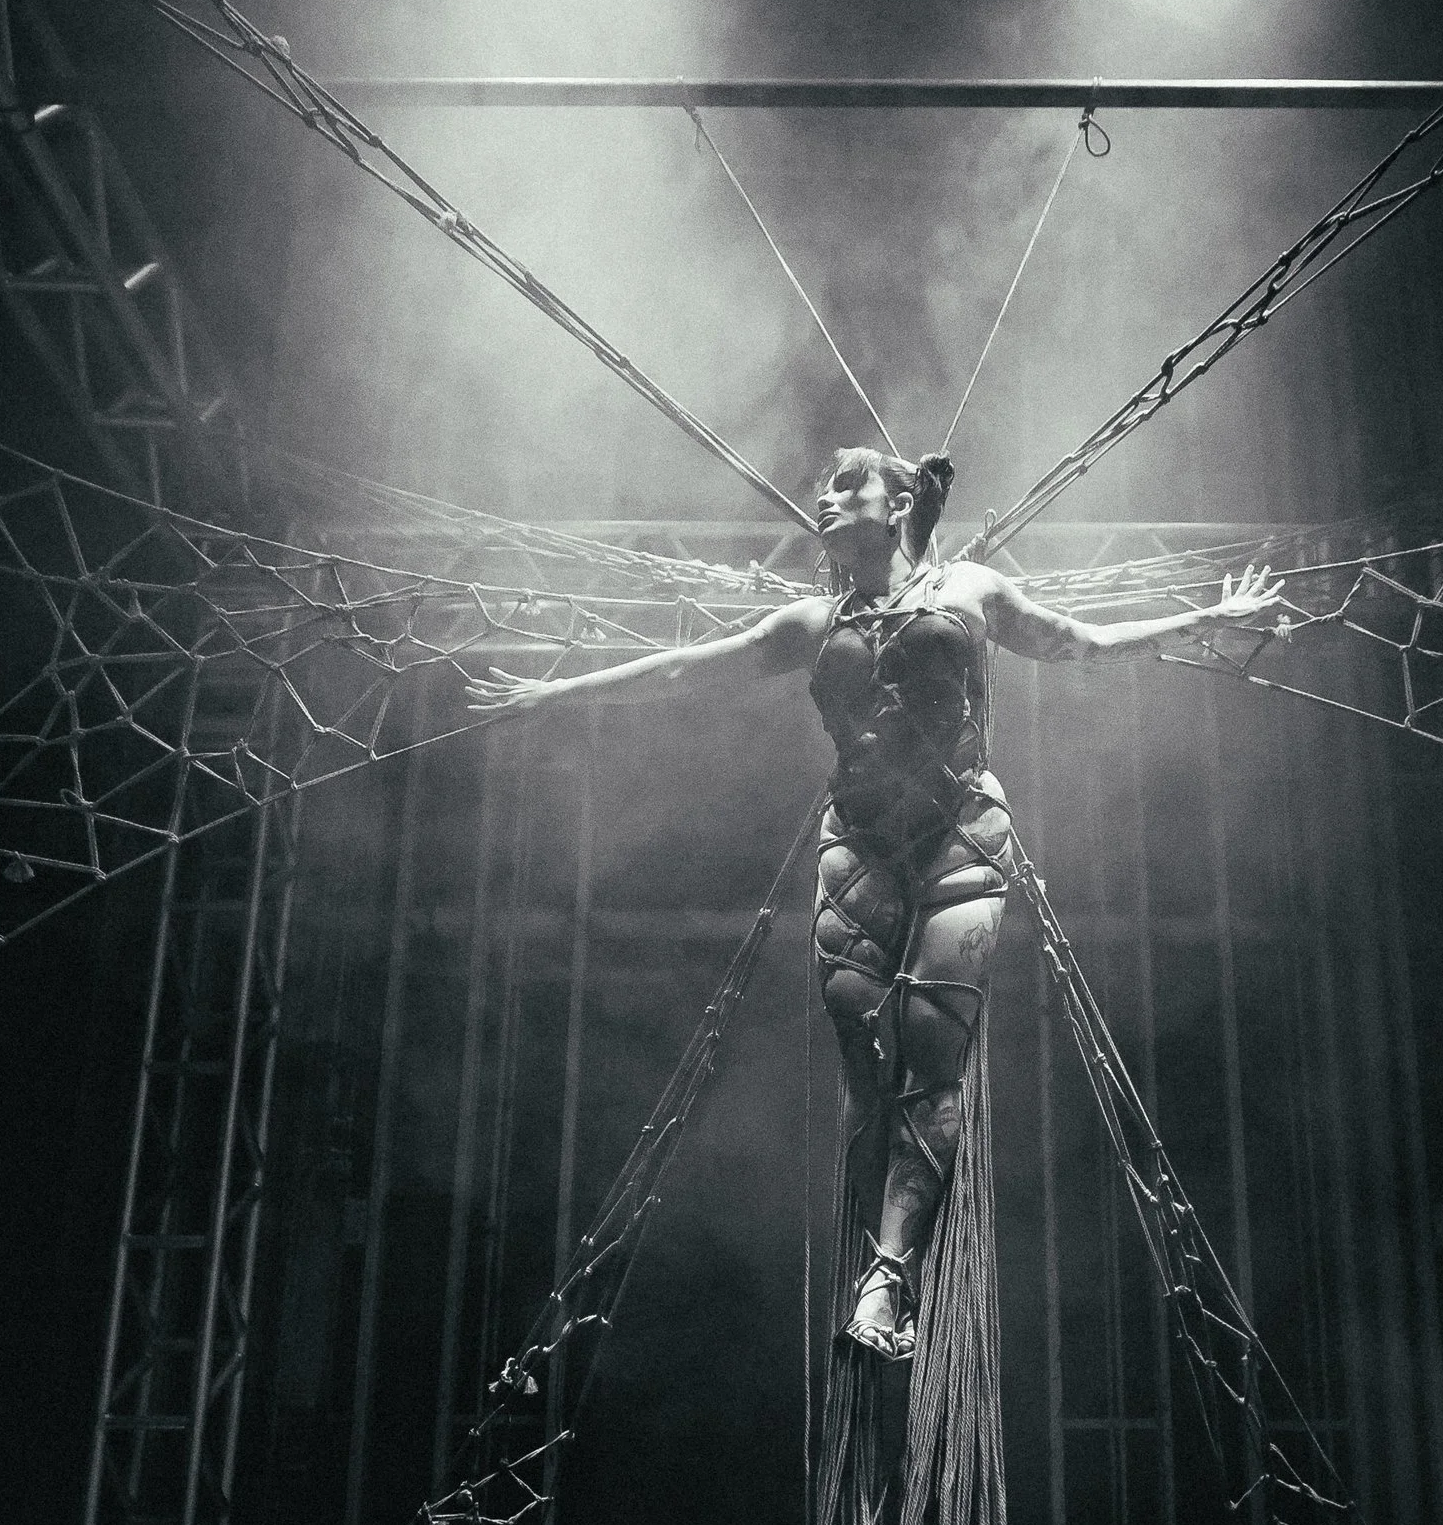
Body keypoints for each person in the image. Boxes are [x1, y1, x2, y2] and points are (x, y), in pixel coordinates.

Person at [464, 446, 1279, 1359]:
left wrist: (1207, 619)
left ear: (899, 504)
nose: (825, 497)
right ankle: (877, 1258)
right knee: (867, 1061)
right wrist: (556, 693)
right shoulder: (812, 620)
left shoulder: (972, 590)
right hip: (857, 847)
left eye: (846, 484)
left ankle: (889, 1281)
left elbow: (1078, 644)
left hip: (963, 834)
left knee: (933, 1055)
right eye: (824, 487)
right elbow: (685, 667)